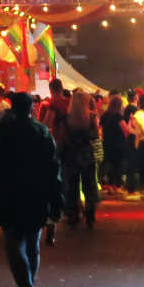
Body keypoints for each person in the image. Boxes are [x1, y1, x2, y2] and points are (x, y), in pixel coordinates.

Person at [0, 92, 62, 287]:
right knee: (32, 243)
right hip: (36, 194)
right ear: (31, 108)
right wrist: (56, 199)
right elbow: (53, 168)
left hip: (10, 194)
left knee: (14, 243)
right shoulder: (42, 132)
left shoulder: (5, 133)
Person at [62, 90, 100, 228]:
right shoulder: (91, 117)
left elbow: (64, 137)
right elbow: (95, 136)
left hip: (71, 154)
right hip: (87, 155)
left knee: (72, 186)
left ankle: (73, 215)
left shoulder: (67, 118)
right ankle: (90, 216)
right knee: (88, 185)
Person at [99, 96, 127, 193]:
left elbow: (100, 128)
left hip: (107, 143)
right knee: (118, 165)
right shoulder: (118, 116)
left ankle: (110, 186)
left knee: (110, 164)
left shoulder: (105, 115)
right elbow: (125, 129)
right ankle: (117, 186)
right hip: (118, 143)